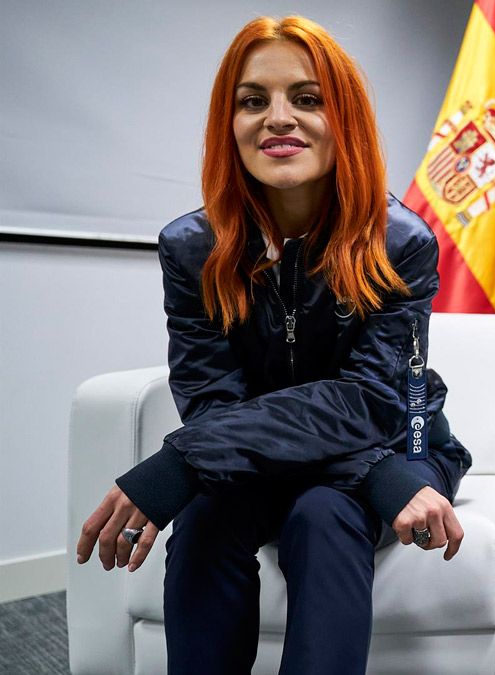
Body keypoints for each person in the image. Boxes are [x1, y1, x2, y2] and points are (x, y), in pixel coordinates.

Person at [73, 16, 471, 674]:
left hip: (401, 437)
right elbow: (211, 405)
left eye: (307, 99)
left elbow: (370, 402)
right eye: (253, 100)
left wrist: (174, 465)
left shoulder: (403, 244)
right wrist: (194, 467)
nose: (277, 118)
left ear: (345, 119)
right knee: (204, 518)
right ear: (228, 124)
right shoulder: (190, 249)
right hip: (264, 455)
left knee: (322, 515)